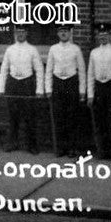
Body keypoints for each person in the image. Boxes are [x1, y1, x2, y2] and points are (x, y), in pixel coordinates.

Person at [0, 24, 44, 154]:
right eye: (18, 32)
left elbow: (39, 70)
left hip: (27, 84)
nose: (20, 34)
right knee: (13, 116)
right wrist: (0, 89)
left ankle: (31, 145)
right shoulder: (10, 49)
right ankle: (13, 143)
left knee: (29, 117)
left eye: (23, 32)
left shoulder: (32, 50)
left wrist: (40, 90)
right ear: (15, 33)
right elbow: (4, 69)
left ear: (26, 33)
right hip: (13, 84)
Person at [87, 22, 111, 161]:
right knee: (100, 122)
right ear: (97, 36)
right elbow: (90, 74)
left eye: (105, 34)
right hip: (99, 88)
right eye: (100, 34)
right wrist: (91, 94)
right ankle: (102, 151)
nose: (102, 37)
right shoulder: (94, 53)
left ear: (110, 36)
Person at [46, 24, 87, 157]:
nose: (63, 34)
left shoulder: (75, 49)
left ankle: (72, 148)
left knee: (72, 117)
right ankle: (60, 147)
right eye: (61, 31)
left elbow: (81, 70)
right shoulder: (53, 49)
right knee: (59, 117)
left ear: (70, 34)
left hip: (71, 84)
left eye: (66, 31)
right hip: (58, 84)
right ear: (58, 34)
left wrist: (82, 90)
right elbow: (49, 70)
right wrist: (48, 88)